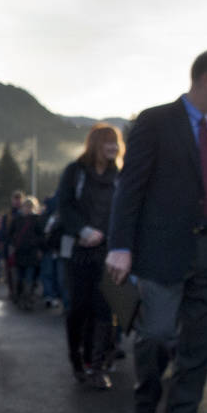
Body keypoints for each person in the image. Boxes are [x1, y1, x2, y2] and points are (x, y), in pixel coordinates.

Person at [105, 50, 207, 413]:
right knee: (155, 335)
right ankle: (146, 397)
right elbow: (130, 187)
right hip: (161, 251)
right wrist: (120, 246)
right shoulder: (155, 122)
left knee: (200, 346)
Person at [56, 124, 124, 388]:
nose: (113, 148)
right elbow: (65, 206)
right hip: (79, 250)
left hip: (108, 252)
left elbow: (123, 212)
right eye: (108, 143)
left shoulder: (119, 176)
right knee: (79, 308)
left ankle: (96, 366)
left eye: (116, 143)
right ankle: (77, 360)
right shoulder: (75, 172)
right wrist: (82, 230)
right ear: (96, 144)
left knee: (105, 309)